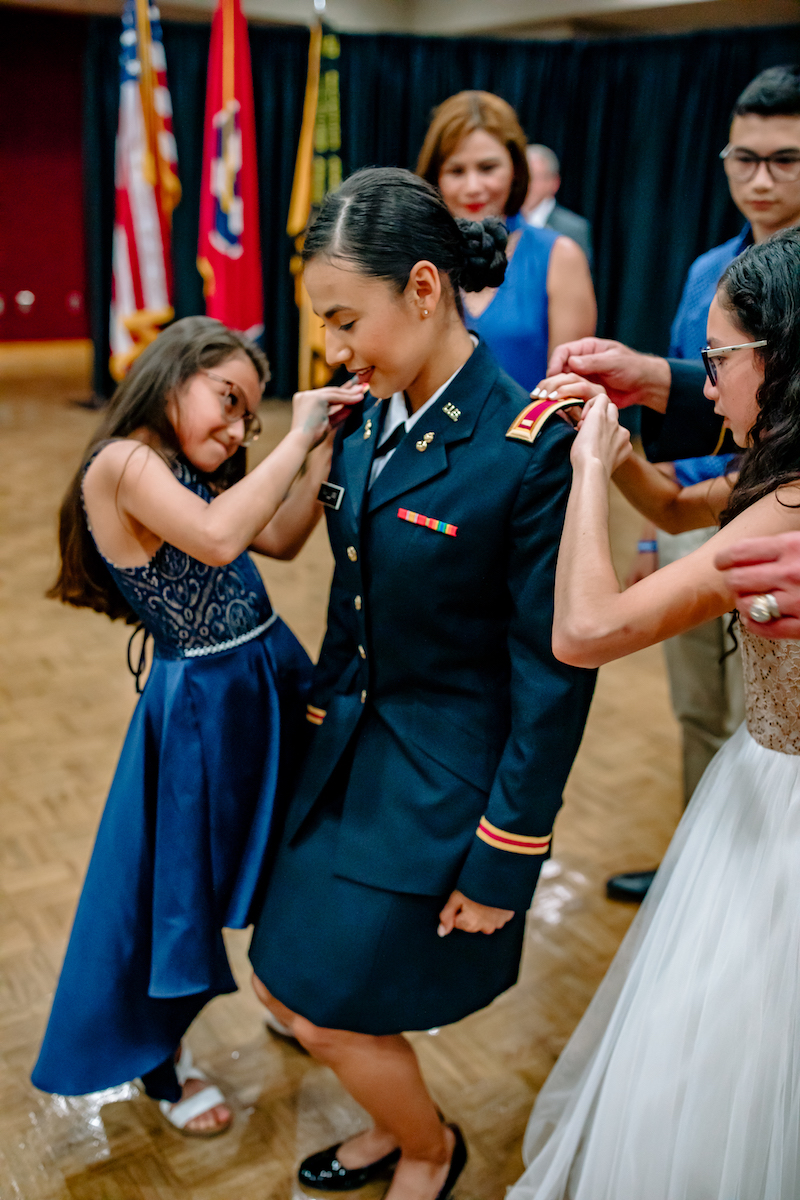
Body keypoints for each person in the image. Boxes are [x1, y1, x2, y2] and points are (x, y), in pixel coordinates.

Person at [246, 167, 597, 1200]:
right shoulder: (363, 415)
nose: (333, 349)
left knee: (328, 1001)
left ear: (426, 290)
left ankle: (429, 1150)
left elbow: (552, 674)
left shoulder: (525, 446)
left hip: (444, 782)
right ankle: (398, 1122)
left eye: (345, 319)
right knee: (289, 983)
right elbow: (343, 598)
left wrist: (506, 852)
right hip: (345, 759)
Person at [509, 227, 800, 1198]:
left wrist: (588, 469)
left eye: (718, 362)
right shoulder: (775, 473)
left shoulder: (788, 502)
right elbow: (680, 513)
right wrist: (626, 448)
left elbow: (587, 630)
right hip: (757, 782)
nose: (706, 387)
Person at [31, 317, 362, 1135]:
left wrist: (320, 457)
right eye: (228, 400)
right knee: (183, 891)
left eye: (250, 414)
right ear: (171, 374)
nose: (238, 427)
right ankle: (162, 1058)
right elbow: (218, 541)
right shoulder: (124, 462)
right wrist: (299, 429)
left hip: (267, 675)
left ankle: (283, 991)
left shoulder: (184, 468)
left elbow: (275, 537)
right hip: (203, 708)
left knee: (288, 849)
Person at [416, 91, 596, 393]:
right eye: (457, 171)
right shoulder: (415, 258)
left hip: (530, 437)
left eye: (487, 168)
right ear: (436, 177)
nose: (473, 187)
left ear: (515, 169)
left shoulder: (559, 256)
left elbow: (570, 394)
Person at [520, 144, 593, 267]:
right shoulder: (503, 220)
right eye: (522, 176)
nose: (526, 184)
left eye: (533, 178)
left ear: (554, 183)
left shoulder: (573, 229)